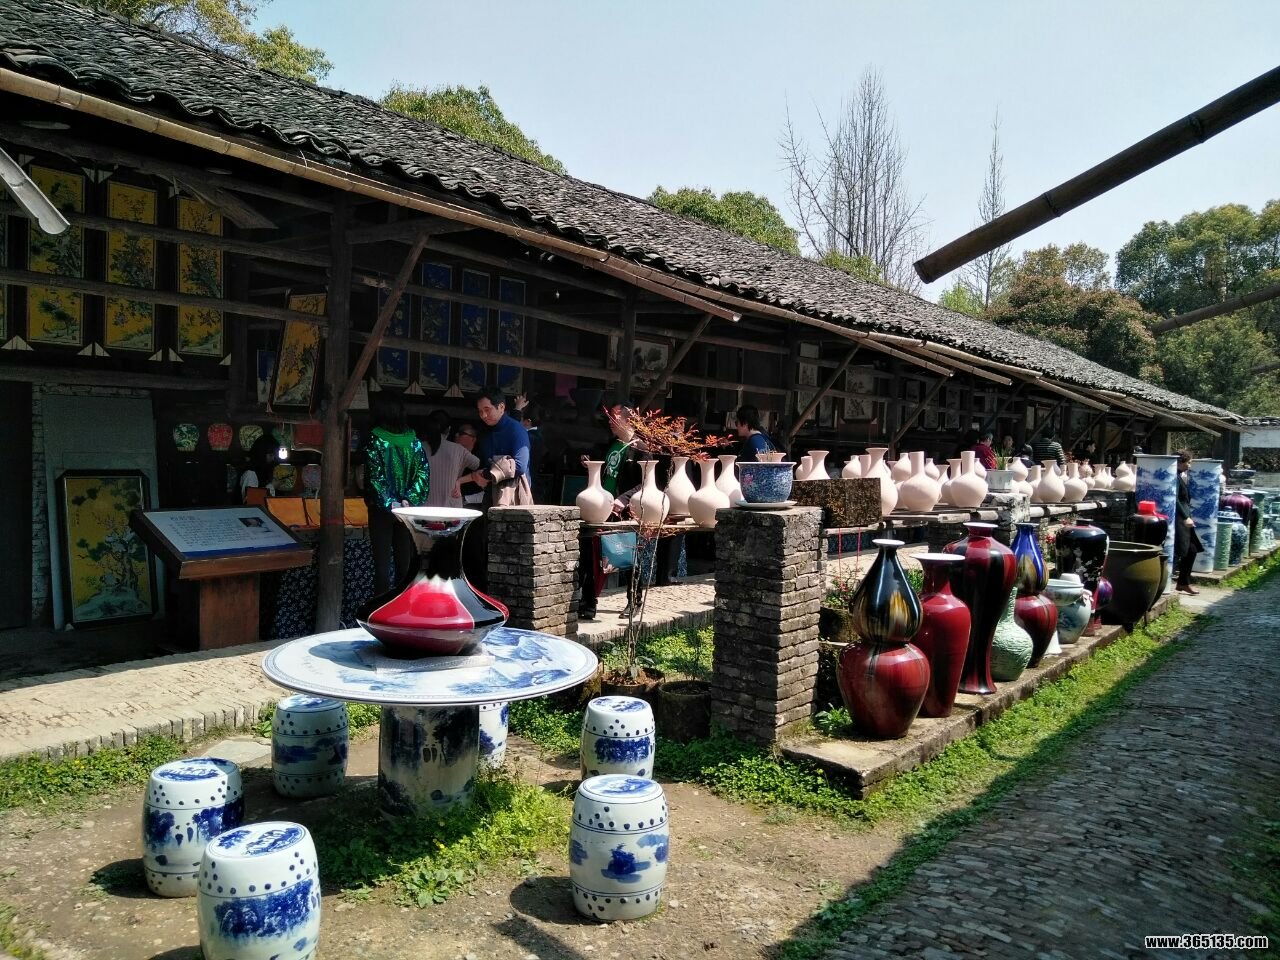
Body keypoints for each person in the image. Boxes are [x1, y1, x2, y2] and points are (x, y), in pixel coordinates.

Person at [577, 401, 642, 622]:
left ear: (629, 419)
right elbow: (606, 472)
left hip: (625, 510)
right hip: (601, 506)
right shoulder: (611, 445)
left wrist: (624, 499)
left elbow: (649, 482)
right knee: (590, 552)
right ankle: (588, 603)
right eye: (610, 417)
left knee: (629, 556)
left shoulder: (641, 448)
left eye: (615, 417)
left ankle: (634, 600)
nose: (610, 422)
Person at [364, 392, 430, 595]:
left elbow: (375, 476)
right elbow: (423, 473)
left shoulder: (376, 439)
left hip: (381, 512)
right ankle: (403, 606)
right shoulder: (414, 441)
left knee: (382, 567)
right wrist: (409, 500)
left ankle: (381, 608)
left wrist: (390, 502)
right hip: (407, 512)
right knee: (405, 563)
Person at [423, 409, 479, 509]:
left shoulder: (418, 447)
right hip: (451, 509)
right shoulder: (459, 450)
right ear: (448, 429)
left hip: (422, 508)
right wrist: (468, 448)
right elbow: (478, 465)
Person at [1174, 450, 1204, 595]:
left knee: (1192, 549)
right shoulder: (1174, 477)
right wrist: (1186, 517)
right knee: (1186, 549)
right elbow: (1175, 499)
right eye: (1189, 462)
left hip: (1185, 518)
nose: (1190, 466)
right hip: (1180, 519)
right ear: (1181, 462)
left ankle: (1183, 582)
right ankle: (1183, 582)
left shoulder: (1180, 476)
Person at [239, 434, 278, 503]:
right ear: (261, 454)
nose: (273, 459)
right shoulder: (250, 474)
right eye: (271, 455)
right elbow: (252, 502)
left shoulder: (262, 471)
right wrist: (272, 486)